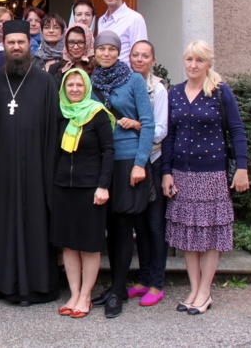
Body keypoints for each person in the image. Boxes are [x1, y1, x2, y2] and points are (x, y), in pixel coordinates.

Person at [162, 40, 249, 315]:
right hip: (181, 174)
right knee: (188, 233)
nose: (193, 65)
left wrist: (242, 167)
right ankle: (194, 289)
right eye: (189, 59)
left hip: (211, 173)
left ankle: (205, 292)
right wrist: (165, 171)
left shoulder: (220, 93)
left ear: (208, 63)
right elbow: (169, 136)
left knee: (210, 235)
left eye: (199, 60)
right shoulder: (174, 93)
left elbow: (236, 130)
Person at [0, 19, 60, 305]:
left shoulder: (45, 81)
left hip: (35, 170)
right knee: (0, 224)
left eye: (21, 42)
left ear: (31, 46)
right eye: (11, 43)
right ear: (3, 46)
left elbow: (53, 128)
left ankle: (35, 286)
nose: (16, 47)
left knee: (34, 224)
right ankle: (0, 284)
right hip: (0, 170)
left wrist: (48, 170)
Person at [89, 30, 154, 319]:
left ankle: (118, 290)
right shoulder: (91, 82)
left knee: (125, 225)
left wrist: (140, 163)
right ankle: (117, 286)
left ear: (119, 52)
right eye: (101, 48)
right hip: (103, 160)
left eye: (111, 49)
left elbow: (148, 124)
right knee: (111, 225)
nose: (106, 53)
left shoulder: (134, 80)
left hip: (128, 158)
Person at [52, 69, 115, 319]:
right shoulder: (61, 113)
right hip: (63, 187)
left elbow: (109, 151)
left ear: (87, 87)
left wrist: (103, 185)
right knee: (68, 244)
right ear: (64, 89)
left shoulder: (97, 114)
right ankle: (74, 293)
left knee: (89, 245)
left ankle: (86, 295)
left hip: (90, 188)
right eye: (71, 85)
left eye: (80, 84)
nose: (75, 89)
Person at [126, 41, 169, 306]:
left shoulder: (158, 89)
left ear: (153, 60)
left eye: (145, 56)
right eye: (135, 55)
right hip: (132, 161)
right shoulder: (127, 83)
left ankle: (157, 282)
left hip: (152, 160)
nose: (139, 59)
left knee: (154, 225)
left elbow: (161, 130)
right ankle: (142, 279)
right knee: (139, 225)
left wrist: (137, 126)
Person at [97, 0, 148, 64]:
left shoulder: (134, 19)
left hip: (126, 76)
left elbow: (141, 54)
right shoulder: (101, 20)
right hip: (104, 76)